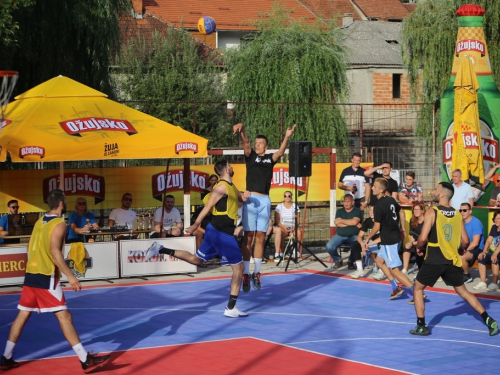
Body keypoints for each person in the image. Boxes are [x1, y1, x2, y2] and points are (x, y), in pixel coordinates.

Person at [0, 189, 111, 372]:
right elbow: (54, 251)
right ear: (61, 203)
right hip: (46, 277)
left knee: (22, 316)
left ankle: (6, 357)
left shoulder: (38, 222)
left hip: (31, 274)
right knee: (64, 316)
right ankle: (85, 359)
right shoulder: (59, 224)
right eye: (65, 201)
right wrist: (70, 275)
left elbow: (29, 247)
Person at [144, 160, 249, 317]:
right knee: (238, 268)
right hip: (221, 231)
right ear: (227, 169)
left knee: (196, 260)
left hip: (218, 231)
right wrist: (195, 224)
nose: (233, 167)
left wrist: (246, 195)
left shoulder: (231, 187)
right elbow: (207, 208)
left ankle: (160, 248)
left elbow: (239, 199)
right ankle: (230, 307)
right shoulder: (221, 187)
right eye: (230, 165)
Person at [412, 182, 498, 336]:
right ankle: (489, 320)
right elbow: (465, 241)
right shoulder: (457, 214)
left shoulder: (433, 211)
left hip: (434, 258)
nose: (435, 192)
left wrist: (419, 247)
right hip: (451, 260)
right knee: (464, 292)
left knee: (418, 288)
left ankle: (421, 326)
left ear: (442, 194)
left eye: (437, 189)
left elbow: (423, 238)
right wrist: (457, 248)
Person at [233, 122, 296, 292]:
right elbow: (245, 143)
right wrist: (243, 130)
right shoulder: (250, 156)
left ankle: (257, 273)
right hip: (251, 199)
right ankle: (246, 273)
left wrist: (287, 137)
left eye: (260, 143)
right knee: (249, 237)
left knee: (260, 237)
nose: (257, 144)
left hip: (264, 200)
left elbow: (281, 152)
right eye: (256, 142)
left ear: (265, 146)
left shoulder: (270, 159)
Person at [364, 178, 414, 299]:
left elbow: (377, 226)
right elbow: (401, 212)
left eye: (374, 186)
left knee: (395, 270)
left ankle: (416, 292)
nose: (372, 188)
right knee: (379, 261)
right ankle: (395, 287)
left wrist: (367, 238)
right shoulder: (391, 200)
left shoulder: (378, 205)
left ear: (381, 190)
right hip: (395, 236)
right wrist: (402, 228)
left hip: (388, 240)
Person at [326, 194, 363, 268]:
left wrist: (342, 221)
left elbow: (354, 222)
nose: (346, 203)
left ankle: (351, 260)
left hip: (354, 235)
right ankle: (338, 260)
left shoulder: (357, 211)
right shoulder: (339, 211)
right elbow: (337, 223)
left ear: (352, 202)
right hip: (340, 235)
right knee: (329, 246)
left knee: (357, 244)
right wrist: (351, 223)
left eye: (348, 201)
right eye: (344, 201)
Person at [350, 205, 381, 279]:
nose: (371, 212)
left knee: (384, 245)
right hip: (371, 243)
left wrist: (367, 244)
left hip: (381, 243)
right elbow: (359, 236)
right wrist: (362, 244)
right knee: (356, 244)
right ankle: (360, 270)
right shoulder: (368, 221)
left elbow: (382, 238)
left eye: (373, 211)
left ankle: (381, 271)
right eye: (370, 210)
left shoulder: (382, 221)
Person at [473, 211, 500, 292]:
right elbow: (488, 241)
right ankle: (483, 282)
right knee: (482, 257)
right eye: (495, 218)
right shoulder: (494, 227)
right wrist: (484, 251)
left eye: (499, 219)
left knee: (495, 257)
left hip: (497, 254)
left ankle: (494, 283)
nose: (496, 220)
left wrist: (495, 254)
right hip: (497, 253)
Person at [458, 202, 484, 284]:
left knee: (462, 257)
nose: (462, 212)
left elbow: (475, 243)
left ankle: (467, 276)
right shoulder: (460, 222)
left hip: (477, 249)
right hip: (465, 246)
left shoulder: (476, 222)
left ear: (470, 211)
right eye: (460, 210)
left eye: (465, 210)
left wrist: (464, 250)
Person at [273, 191, 302, 261]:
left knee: (299, 233)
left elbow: (298, 220)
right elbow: (277, 221)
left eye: (289, 196)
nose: (287, 197)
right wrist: (284, 227)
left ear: (291, 197)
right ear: (283, 197)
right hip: (283, 225)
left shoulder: (295, 206)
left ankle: (295, 251)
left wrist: (294, 227)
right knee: (280, 233)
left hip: (292, 226)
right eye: (285, 196)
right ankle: (281, 253)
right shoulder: (279, 206)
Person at [401, 203, 426, 275]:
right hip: (416, 242)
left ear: (422, 211)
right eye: (414, 209)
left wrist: (413, 243)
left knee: (418, 248)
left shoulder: (427, 221)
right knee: (407, 246)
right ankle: (405, 270)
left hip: (425, 242)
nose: (415, 211)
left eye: (418, 209)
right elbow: (412, 236)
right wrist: (410, 243)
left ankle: (421, 272)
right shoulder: (412, 220)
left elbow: (425, 238)